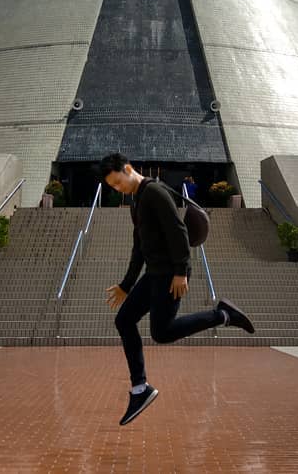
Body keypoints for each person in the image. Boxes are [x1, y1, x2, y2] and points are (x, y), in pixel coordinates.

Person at [100, 153, 255, 426]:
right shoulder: (136, 201)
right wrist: (126, 285)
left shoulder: (155, 192)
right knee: (123, 320)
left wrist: (181, 271)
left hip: (170, 274)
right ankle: (140, 389)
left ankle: (222, 315)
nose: (117, 189)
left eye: (117, 182)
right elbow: (139, 247)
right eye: (112, 187)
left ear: (127, 169)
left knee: (162, 333)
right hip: (154, 274)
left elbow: (178, 232)